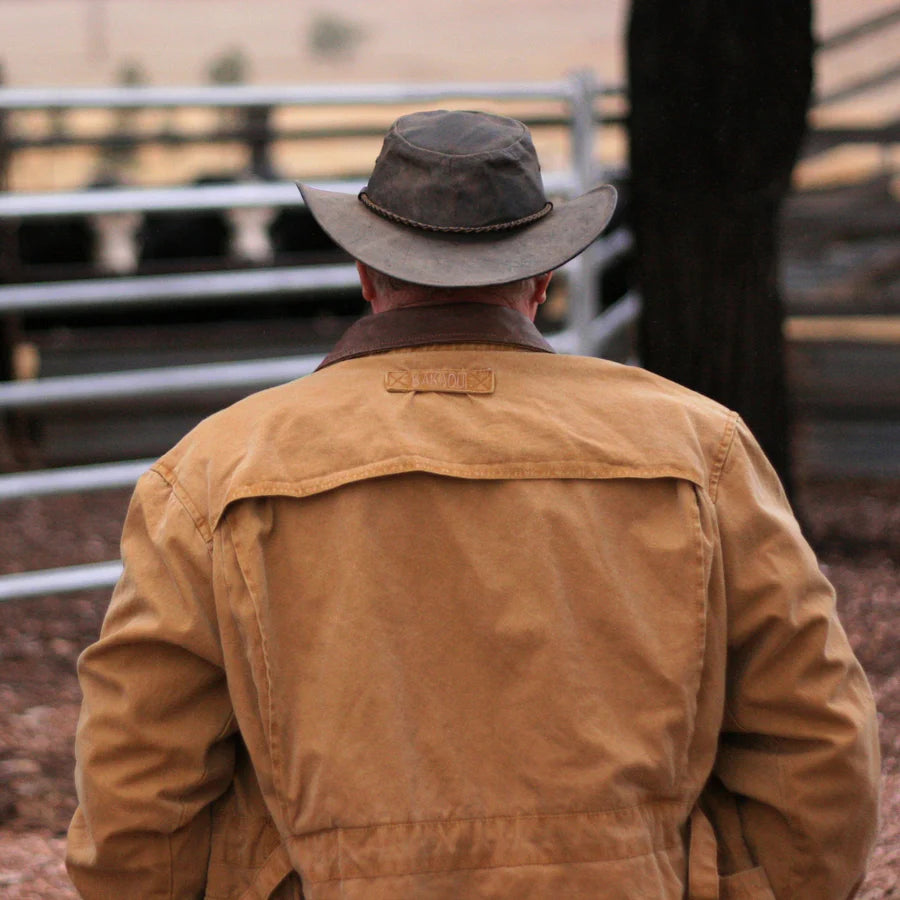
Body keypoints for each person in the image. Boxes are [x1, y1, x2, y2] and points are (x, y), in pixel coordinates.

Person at [67, 110, 879, 900]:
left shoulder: (215, 470)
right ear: (543, 283)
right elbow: (816, 742)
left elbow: (140, 784)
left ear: (366, 276)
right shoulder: (702, 448)